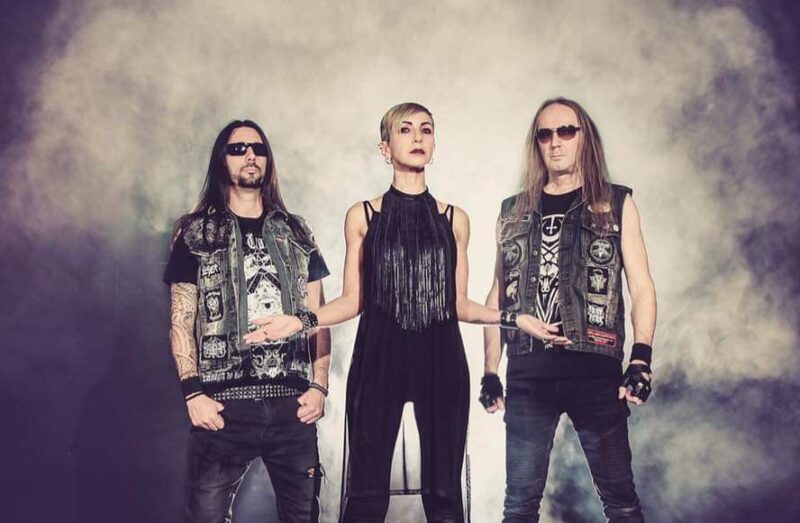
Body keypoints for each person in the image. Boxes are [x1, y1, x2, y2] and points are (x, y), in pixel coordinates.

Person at [248, 102, 545, 523]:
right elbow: (353, 300)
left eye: (426, 129)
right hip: (378, 361)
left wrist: (512, 318)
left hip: (441, 363)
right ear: (385, 148)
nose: (417, 137)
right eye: (405, 130)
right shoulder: (363, 216)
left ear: (434, 144)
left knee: (444, 498)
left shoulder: (455, 219)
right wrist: (300, 321)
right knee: (367, 496)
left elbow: (458, 304)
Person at [480, 97, 657, 523]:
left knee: (620, 501)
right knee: (518, 505)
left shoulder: (616, 202)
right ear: (536, 143)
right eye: (545, 134)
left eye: (566, 131)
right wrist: (489, 370)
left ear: (584, 138)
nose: (555, 142)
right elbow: (497, 294)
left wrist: (641, 359)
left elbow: (642, 286)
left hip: (594, 366)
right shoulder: (512, 211)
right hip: (528, 372)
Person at [164, 119, 331, 523]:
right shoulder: (195, 232)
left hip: (291, 405)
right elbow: (181, 319)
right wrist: (192, 393)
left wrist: (319, 386)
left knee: (303, 517)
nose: (250, 155)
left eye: (258, 148)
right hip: (224, 406)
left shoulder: (298, 231)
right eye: (237, 149)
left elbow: (319, 318)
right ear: (221, 160)